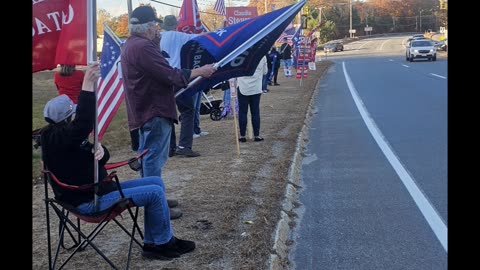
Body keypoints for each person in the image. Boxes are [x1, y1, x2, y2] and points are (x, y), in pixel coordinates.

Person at [40, 64, 195, 260]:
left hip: (97, 190)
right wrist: (88, 85)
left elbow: (100, 159)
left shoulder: (66, 139)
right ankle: (162, 245)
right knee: (155, 193)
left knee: (156, 183)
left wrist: (100, 150)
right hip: (89, 202)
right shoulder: (61, 139)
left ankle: (155, 240)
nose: (76, 115)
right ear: (66, 119)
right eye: (74, 113)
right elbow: (84, 123)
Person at [121, 6, 216, 177]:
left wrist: (156, 44)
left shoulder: (132, 44)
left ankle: (153, 194)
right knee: (154, 158)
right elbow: (169, 74)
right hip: (154, 109)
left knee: (147, 155)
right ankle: (154, 200)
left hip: (144, 108)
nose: (157, 29)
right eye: (155, 25)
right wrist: (200, 71)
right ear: (148, 27)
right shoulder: (143, 47)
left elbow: (155, 68)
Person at [159, 15, 202, 158]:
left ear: (164, 25)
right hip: (178, 77)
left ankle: (170, 147)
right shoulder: (181, 36)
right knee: (188, 110)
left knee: (168, 113)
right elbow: (200, 37)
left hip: (163, 78)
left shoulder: (158, 37)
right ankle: (184, 145)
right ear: (176, 25)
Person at [236, 56, 267, 142]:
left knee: (242, 112)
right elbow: (265, 72)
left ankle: (242, 136)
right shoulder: (262, 56)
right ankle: (257, 135)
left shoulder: (242, 54)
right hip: (256, 87)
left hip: (242, 86)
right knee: (255, 111)